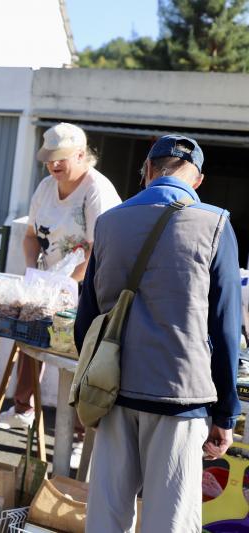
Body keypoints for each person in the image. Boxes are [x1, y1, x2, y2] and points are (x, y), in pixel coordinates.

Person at [75, 135, 240, 532]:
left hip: (113, 391)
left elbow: (86, 320)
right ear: (197, 180)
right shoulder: (215, 224)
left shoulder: (109, 222)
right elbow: (226, 326)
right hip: (180, 395)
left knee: (106, 518)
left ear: (147, 171)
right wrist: (226, 412)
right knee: (169, 522)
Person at [0, 123, 121, 467]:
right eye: (49, 159)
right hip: (53, 279)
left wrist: (70, 284)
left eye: (61, 158)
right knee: (28, 327)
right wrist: (35, 274)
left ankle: (82, 434)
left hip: (92, 286)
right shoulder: (45, 187)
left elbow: (101, 249)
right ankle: (23, 405)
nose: (54, 165)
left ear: (81, 155)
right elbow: (29, 236)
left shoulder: (97, 190)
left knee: (81, 355)